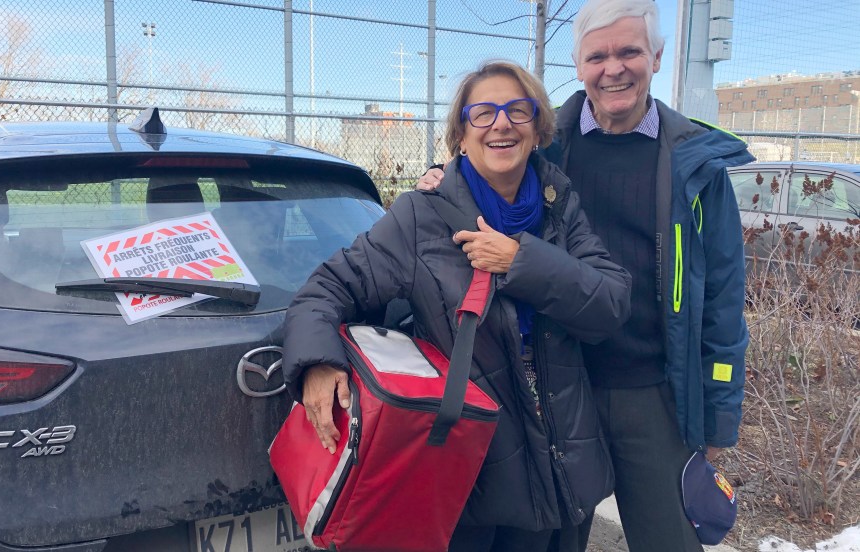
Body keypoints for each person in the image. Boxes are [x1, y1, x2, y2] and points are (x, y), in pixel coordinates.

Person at [418, 1, 754, 550]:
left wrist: (719, 416)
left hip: (651, 395)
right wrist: (444, 177)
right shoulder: (547, 145)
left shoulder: (693, 164)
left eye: (629, 51)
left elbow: (722, 297)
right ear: (578, 65)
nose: (613, 68)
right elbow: (479, 167)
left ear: (657, 56)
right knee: (553, 541)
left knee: (670, 540)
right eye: (597, 56)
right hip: (555, 383)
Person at [283, 61, 631, 552]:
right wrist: (317, 362)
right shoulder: (420, 218)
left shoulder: (560, 207)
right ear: (461, 137)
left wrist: (521, 260)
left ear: (537, 129)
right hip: (477, 481)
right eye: (482, 113)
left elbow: (611, 304)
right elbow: (325, 288)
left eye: (517, 110)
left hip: (568, 474)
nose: (502, 123)